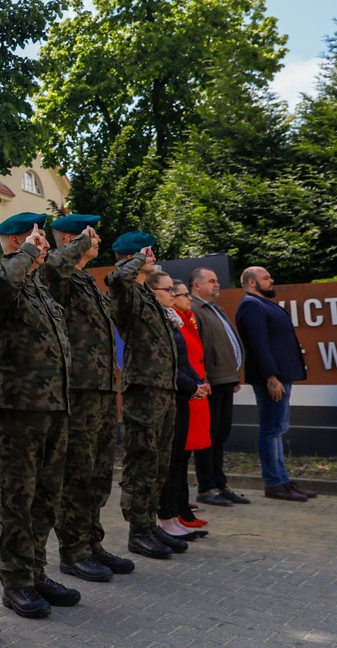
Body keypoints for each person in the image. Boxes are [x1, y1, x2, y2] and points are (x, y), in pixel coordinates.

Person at [0, 212, 79, 620]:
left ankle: (36, 571)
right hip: (19, 409)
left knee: (46, 498)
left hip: (55, 406)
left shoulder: (39, 290)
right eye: (36, 236)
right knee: (17, 500)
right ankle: (16, 581)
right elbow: (1, 283)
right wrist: (23, 254)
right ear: (18, 241)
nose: (43, 242)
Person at [40, 214, 134, 582]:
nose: (95, 239)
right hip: (78, 391)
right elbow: (50, 269)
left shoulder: (87, 281)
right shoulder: (59, 278)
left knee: (98, 475)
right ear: (69, 239)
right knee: (76, 475)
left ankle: (93, 543)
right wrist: (73, 246)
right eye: (86, 235)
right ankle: (73, 551)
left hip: (101, 390)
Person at [105, 231, 186, 559]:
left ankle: (149, 522)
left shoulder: (148, 295)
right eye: (144, 253)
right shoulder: (125, 290)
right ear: (130, 257)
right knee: (142, 460)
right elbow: (117, 278)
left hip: (163, 390)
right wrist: (137, 259)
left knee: (158, 461)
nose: (151, 257)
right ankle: (137, 529)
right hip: (143, 390)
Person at [235, 267, 318, 502]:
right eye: (266, 278)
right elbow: (258, 344)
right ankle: (274, 483)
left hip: (280, 376)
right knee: (272, 429)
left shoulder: (262, 303)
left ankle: (282, 481)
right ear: (252, 282)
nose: (271, 281)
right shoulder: (251, 305)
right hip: (272, 379)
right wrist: (271, 377)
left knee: (277, 429)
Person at [150, 274, 208, 540]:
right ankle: (166, 518)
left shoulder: (171, 319)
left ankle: (173, 516)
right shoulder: (156, 320)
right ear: (152, 291)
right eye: (169, 289)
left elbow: (183, 361)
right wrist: (191, 386)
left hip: (182, 394)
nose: (173, 294)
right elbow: (167, 364)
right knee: (169, 462)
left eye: (176, 290)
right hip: (170, 396)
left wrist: (197, 383)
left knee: (175, 463)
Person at [189, 267, 250, 508]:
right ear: (196, 285)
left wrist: (232, 375)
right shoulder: (195, 309)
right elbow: (196, 348)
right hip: (210, 384)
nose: (217, 284)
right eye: (211, 281)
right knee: (207, 437)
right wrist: (203, 379)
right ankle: (206, 488)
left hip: (224, 380)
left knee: (220, 435)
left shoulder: (214, 309)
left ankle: (219, 484)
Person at [171, 280, 212, 530]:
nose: (189, 298)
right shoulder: (174, 320)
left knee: (184, 456)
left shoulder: (186, 317)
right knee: (179, 456)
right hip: (186, 391)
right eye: (184, 294)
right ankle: (178, 510)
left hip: (195, 389)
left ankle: (182, 507)